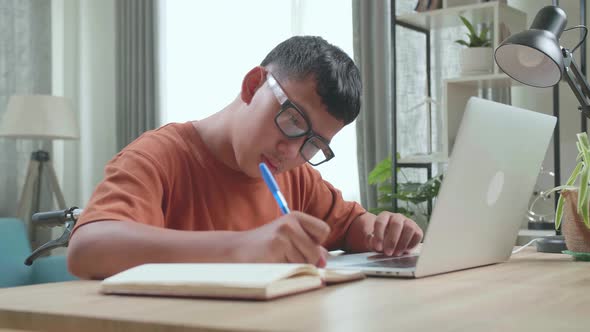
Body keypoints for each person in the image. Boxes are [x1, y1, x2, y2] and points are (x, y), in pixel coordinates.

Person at [67, 36, 423, 279]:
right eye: (293, 120)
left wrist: (381, 232)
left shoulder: (294, 175)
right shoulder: (159, 157)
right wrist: (244, 246)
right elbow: (87, 249)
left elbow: (349, 228)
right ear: (253, 85)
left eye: (314, 144)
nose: (292, 151)